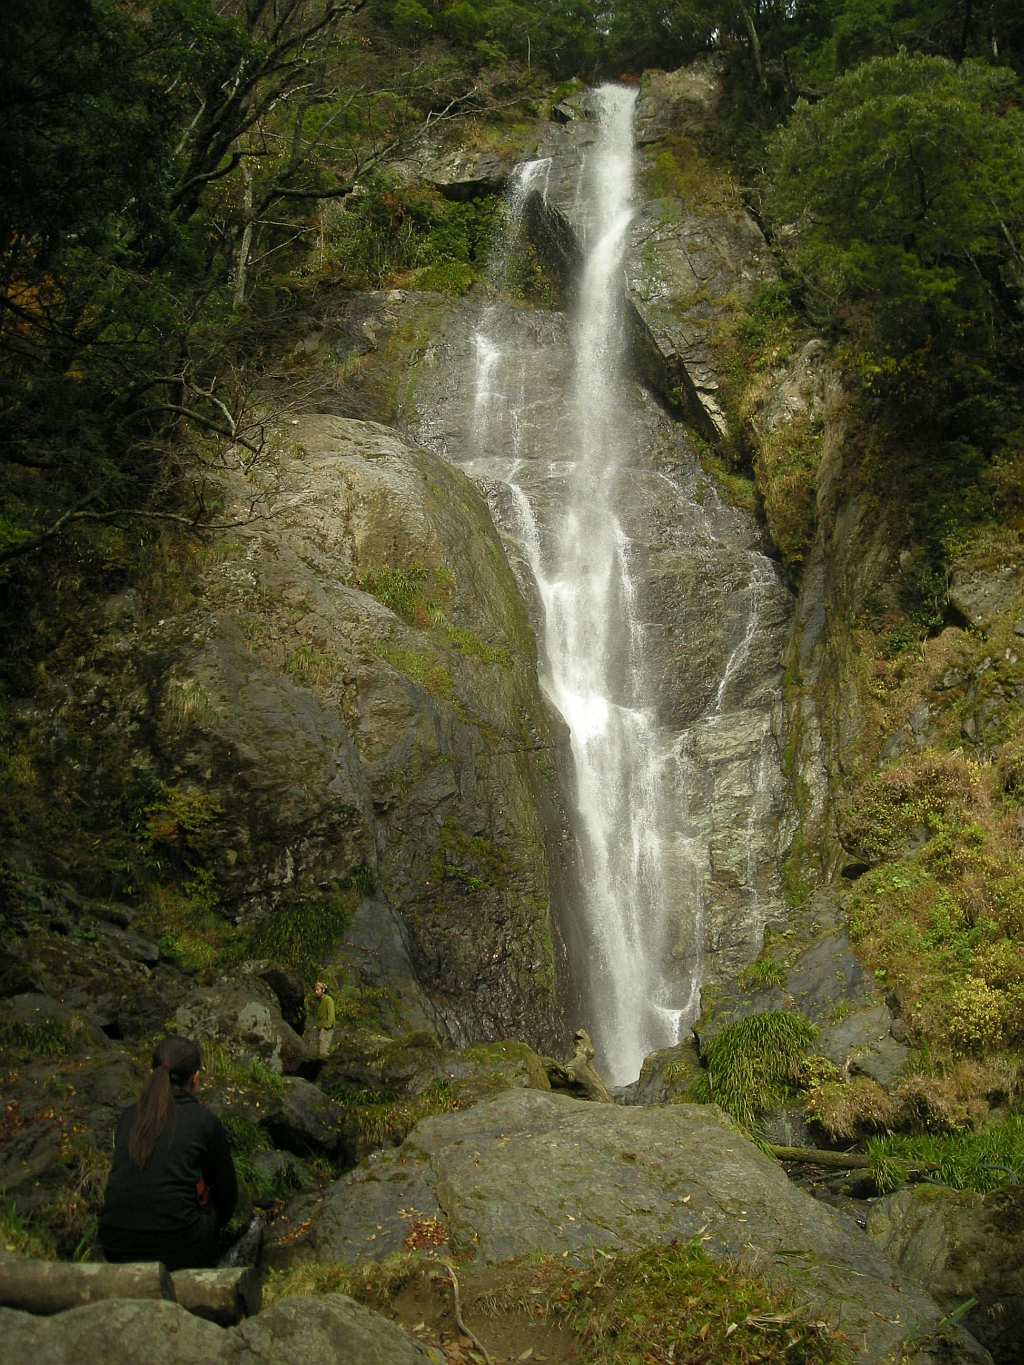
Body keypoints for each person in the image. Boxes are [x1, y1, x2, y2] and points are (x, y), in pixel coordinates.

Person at [98, 1035, 237, 1271]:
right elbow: (227, 1195)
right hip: (177, 1247)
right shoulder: (203, 1120)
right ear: (196, 1079)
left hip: (114, 1244)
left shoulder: (128, 1117)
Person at [309, 980, 336, 1059]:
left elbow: (331, 1016)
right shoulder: (321, 1001)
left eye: (318, 990)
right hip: (321, 1029)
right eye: (315, 990)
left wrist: (324, 1026)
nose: (316, 992)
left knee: (323, 1052)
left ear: (323, 990)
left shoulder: (328, 1000)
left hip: (327, 1029)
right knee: (320, 1051)